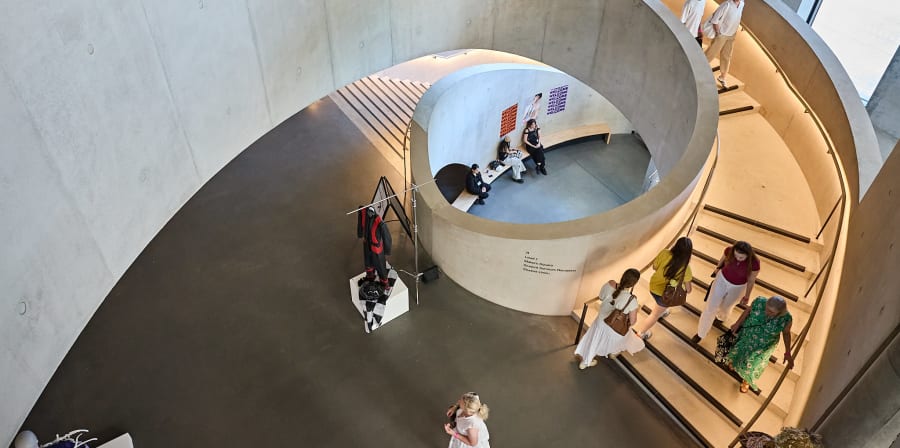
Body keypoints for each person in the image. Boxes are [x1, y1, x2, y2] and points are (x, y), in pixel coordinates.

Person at [574, 268, 644, 369]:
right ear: (634, 284)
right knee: (628, 335)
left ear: (623, 276)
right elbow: (632, 322)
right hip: (614, 329)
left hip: (600, 323)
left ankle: (585, 362)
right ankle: (613, 352)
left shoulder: (610, 284)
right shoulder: (632, 300)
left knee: (595, 340)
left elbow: (601, 297)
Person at [695, 241, 760, 342]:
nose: (738, 259)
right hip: (722, 279)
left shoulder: (755, 262)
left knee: (726, 306)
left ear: (748, 255)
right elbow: (722, 260)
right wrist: (717, 269)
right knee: (711, 306)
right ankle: (701, 333)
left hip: (738, 286)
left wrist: (747, 296)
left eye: (741, 257)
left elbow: (751, 280)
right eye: (736, 256)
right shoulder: (729, 250)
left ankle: (721, 317)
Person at [728, 296, 793, 393]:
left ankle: (746, 380)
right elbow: (747, 311)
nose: (767, 312)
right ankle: (735, 363)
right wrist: (737, 323)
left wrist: (788, 351)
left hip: (763, 346)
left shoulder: (786, 319)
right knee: (740, 350)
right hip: (748, 335)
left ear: (780, 312)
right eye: (767, 308)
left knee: (753, 363)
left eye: (771, 312)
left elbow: (786, 333)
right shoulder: (759, 301)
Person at [635, 237, 694, 340]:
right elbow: (688, 290)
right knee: (654, 315)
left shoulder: (664, 253)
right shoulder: (686, 268)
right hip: (666, 296)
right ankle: (641, 333)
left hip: (653, 286)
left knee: (659, 306)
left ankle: (662, 310)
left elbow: (654, 267)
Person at [704, 0, 745, 87]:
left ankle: (722, 77)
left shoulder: (742, 4)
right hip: (722, 34)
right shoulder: (726, 5)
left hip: (731, 35)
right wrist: (718, 33)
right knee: (711, 53)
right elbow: (714, 20)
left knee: (726, 57)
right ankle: (698, 68)